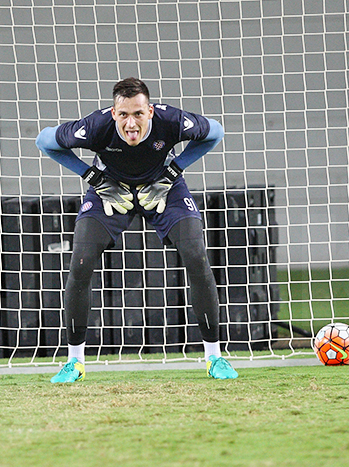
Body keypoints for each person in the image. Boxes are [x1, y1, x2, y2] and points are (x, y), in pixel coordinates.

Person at [35, 77, 237, 383]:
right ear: (114, 114)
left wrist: (172, 171)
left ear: (151, 113)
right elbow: (44, 141)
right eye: (124, 115)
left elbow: (216, 132)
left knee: (196, 256)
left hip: (164, 189)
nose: (132, 123)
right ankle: (74, 363)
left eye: (139, 114)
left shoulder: (171, 121)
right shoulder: (93, 127)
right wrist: (94, 178)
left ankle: (215, 357)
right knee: (80, 262)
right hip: (110, 190)